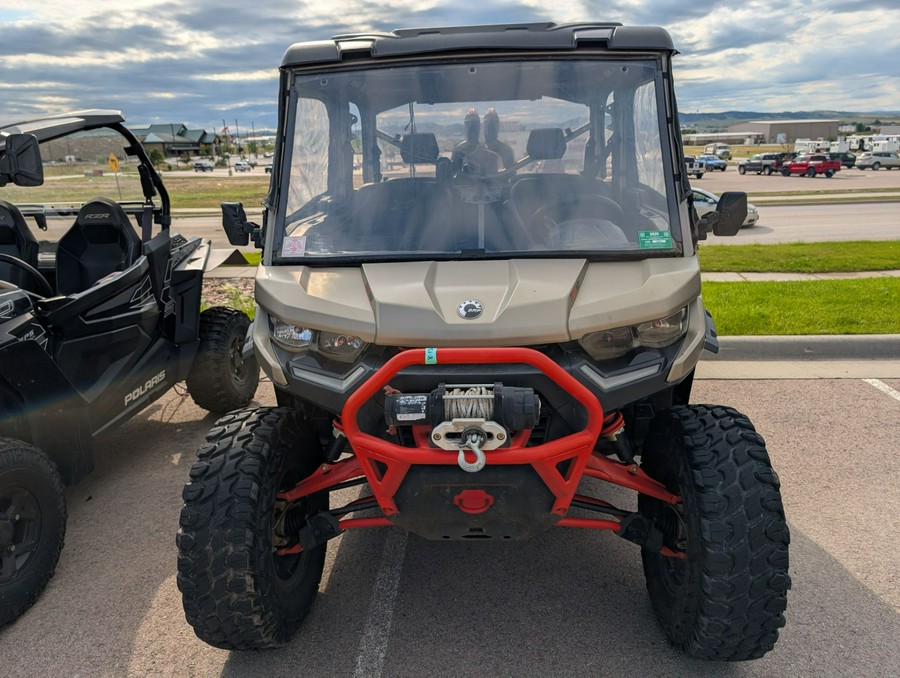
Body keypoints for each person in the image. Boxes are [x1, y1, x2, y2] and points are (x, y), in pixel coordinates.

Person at [451, 108, 482, 174]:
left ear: (479, 127)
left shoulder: (486, 151)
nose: (472, 127)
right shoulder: (458, 151)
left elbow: (494, 177)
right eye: (468, 122)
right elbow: (454, 177)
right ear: (465, 126)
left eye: (475, 123)